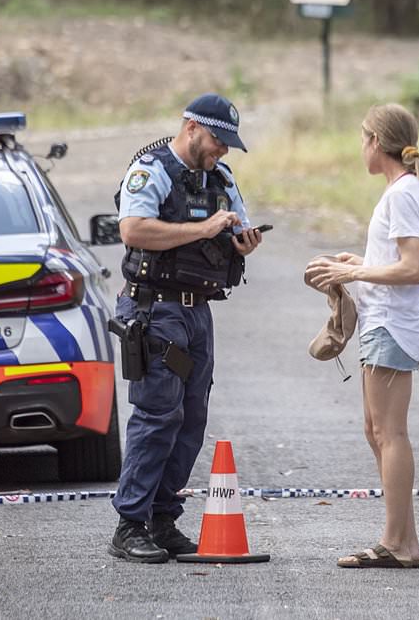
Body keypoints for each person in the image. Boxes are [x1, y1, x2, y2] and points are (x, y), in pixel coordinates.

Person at [108, 93, 263, 563]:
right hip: (156, 309)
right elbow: (133, 230)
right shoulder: (150, 169)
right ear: (192, 127)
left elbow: (236, 228)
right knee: (157, 415)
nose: (223, 151)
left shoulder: (221, 179)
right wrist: (201, 229)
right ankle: (130, 524)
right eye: (218, 140)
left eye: (228, 144)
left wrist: (243, 243)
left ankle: (162, 519)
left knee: (191, 418)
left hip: (198, 312)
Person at [305, 103, 419, 569]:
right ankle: (407, 540)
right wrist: (357, 262)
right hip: (391, 320)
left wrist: (353, 269)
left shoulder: (402, 194)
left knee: (389, 432)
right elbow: (397, 256)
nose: (360, 148)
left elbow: (412, 267)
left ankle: (395, 544)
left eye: (362, 139)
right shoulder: (413, 189)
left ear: (376, 144)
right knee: (376, 429)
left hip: (393, 323)